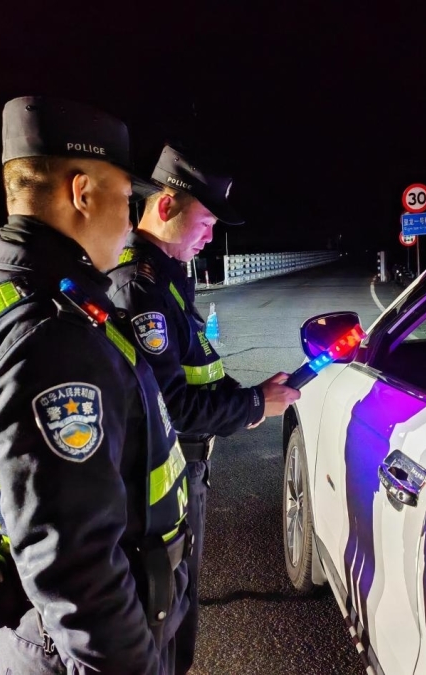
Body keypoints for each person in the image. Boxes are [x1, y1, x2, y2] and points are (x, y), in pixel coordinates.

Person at [0, 96, 191, 675]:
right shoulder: (51, 336)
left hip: (46, 640)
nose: (130, 219)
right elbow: (74, 567)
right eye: (125, 198)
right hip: (78, 652)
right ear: (81, 193)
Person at [107, 144, 300, 673]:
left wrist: (251, 394)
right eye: (207, 222)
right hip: (156, 484)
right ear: (166, 205)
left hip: (181, 472)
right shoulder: (139, 287)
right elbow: (169, 407)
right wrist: (255, 403)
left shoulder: (167, 276)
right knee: (163, 620)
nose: (211, 237)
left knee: (178, 611)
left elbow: (200, 369)